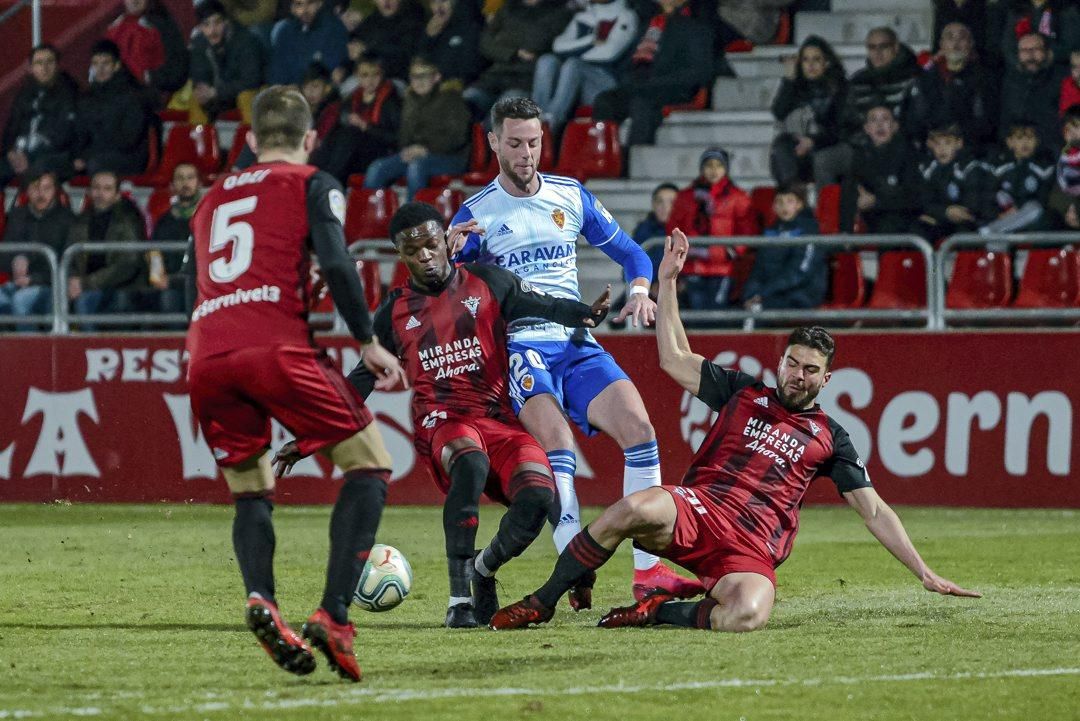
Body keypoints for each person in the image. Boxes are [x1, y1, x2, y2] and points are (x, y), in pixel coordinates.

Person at [488, 230, 982, 631]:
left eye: (810, 370)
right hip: (700, 511)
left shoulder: (833, 437)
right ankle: (544, 600)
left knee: (747, 614)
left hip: (751, 547)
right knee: (636, 505)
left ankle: (658, 611)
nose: (798, 375)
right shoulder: (745, 393)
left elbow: (873, 510)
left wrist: (924, 572)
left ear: (825, 379)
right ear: (781, 361)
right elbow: (673, 359)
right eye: (792, 363)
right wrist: (668, 282)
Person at [281, 202, 611, 628]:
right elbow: (359, 382)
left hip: (498, 419)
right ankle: (458, 602)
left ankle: (482, 570)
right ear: (401, 255)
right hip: (442, 420)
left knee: (539, 495)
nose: (425, 256)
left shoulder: (489, 282)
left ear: (445, 242)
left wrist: (587, 313)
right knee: (469, 462)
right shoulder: (393, 314)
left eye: (431, 244)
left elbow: (544, 304)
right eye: (412, 250)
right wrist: (309, 439)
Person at [185, 85, 405, 682]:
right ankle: (334, 616)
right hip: (274, 345)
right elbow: (336, 261)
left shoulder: (208, 201)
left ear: (251, 141)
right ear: (310, 140)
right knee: (370, 465)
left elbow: (193, 283)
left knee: (249, 491)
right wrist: (367, 340)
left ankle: (262, 598)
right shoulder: (313, 181)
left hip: (206, 351)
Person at [450, 97, 704, 605]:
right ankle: (574, 567)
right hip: (523, 348)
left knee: (641, 430)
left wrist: (638, 290)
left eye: (535, 142)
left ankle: (647, 573)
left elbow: (633, 253)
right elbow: (452, 290)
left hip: (576, 342)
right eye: (516, 143)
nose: (527, 153)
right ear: (494, 143)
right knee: (559, 445)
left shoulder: (569, 195)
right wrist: (454, 257)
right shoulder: (476, 214)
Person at [591, 0, 713, 149]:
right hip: (641, 87)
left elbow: (698, 72)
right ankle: (604, 154)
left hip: (671, 89)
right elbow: (628, 63)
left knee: (642, 104)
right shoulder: (648, 26)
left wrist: (654, 83)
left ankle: (633, 158)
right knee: (605, 101)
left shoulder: (695, 28)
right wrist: (631, 80)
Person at [363, 56, 471, 200]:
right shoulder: (410, 100)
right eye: (414, 76)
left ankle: (414, 217)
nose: (418, 81)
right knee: (377, 167)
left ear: (436, 77)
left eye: (424, 76)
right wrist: (407, 149)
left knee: (416, 166)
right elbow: (404, 135)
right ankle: (368, 218)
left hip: (450, 157)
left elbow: (457, 137)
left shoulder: (451, 99)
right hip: (417, 155)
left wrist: (425, 149)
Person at [666, 147, 757, 312]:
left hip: (723, 268)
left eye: (719, 166)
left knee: (716, 315)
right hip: (691, 266)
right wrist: (683, 252)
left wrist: (731, 252)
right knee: (695, 315)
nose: (714, 170)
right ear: (702, 168)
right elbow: (673, 229)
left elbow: (748, 231)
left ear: (726, 169)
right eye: (709, 165)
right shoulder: (685, 197)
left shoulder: (739, 197)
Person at [531, 0, 639, 135]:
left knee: (573, 65)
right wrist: (591, 41)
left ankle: (551, 123)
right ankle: (535, 118)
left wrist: (575, 52)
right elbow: (558, 45)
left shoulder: (626, 15)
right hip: (572, 80)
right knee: (547, 60)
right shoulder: (583, 17)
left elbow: (609, 53)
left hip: (604, 84)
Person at [464, 0, 572, 119]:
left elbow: (539, 41)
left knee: (502, 114)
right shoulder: (508, 8)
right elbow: (485, 43)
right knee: (465, 102)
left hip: (524, 80)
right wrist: (514, 52)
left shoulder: (558, 12)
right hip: (494, 76)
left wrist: (502, 40)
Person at [67, 170, 147, 325]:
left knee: (85, 301)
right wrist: (72, 280)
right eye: (96, 188)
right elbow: (69, 257)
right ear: (89, 192)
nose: (100, 193)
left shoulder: (129, 220)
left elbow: (127, 265)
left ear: (117, 195)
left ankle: (87, 347)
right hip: (87, 284)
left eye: (107, 189)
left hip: (121, 285)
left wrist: (86, 283)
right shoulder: (80, 220)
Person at [769, 35, 850, 187]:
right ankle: (793, 196)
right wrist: (789, 80)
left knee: (820, 158)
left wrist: (813, 141)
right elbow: (779, 112)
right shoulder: (795, 87)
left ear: (826, 62)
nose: (810, 65)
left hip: (827, 146)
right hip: (800, 151)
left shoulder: (840, 88)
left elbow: (841, 129)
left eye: (816, 59)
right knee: (781, 146)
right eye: (806, 60)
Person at [0, 170, 75, 328]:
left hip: (51, 285)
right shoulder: (18, 215)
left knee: (21, 300)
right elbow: (4, 255)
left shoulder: (67, 220)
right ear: (27, 191)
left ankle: (28, 352)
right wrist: (17, 258)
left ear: (55, 191)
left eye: (46, 188)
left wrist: (34, 280)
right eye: (35, 188)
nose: (41, 194)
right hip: (20, 283)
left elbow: (70, 265)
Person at [312, 53, 401, 184]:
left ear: (382, 75)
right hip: (351, 153)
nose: (370, 80)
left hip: (378, 152)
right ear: (357, 76)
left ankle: (330, 181)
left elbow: (395, 139)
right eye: (365, 75)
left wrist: (366, 126)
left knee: (351, 134)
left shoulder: (391, 101)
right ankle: (318, 180)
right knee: (333, 138)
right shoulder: (352, 98)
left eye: (375, 75)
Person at [908, 22, 997, 153]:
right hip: (932, 150)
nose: (956, 43)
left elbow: (988, 119)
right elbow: (915, 117)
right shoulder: (925, 77)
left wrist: (958, 135)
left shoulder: (985, 78)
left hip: (970, 150)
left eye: (962, 38)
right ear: (941, 44)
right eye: (950, 38)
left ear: (971, 44)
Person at [0, 44, 79, 186]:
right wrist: (11, 152)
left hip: (52, 156)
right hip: (20, 154)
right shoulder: (24, 94)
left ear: (57, 65)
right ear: (31, 68)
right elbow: (10, 130)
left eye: (50, 62)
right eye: (39, 63)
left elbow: (64, 136)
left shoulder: (69, 93)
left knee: (38, 169)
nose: (45, 67)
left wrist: (29, 157)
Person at [742, 183, 827, 311]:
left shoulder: (809, 231)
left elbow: (798, 273)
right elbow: (759, 269)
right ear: (774, 206)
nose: (784, 206)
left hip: (801, 295)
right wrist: (751, 294)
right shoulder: (770, 231)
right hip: (771, 294)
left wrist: (763, 293)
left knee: (756, 310)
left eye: (789, 201)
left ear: (799, 204)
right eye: (779, 202)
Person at [74, 39, 152, 176]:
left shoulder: (132, 96)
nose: (100, 69)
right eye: (96, 64)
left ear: (116, 66)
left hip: (129, 158)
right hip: (96, 156)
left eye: (105, 63)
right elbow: (81, 136)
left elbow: (128, 140)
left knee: (96, 164)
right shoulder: (86, 98)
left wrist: (88, 156)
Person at [843, 105, 922, 234]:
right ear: (867, 128)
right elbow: (850, 193)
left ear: (895, 126)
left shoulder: (908, 154)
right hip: (870, 219)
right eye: (874, 120)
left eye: (885, 119)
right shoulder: (860, 157)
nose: (880, 124)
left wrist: (877, 202)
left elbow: (913, 197)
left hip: (901, 221)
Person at [916, 124, 996, 243]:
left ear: (959, 143)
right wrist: (945, 212)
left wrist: (948, 212)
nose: (942, 149)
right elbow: (923, 202)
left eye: (948, 143)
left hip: (969, 223)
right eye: (937, 144)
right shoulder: (927, 170)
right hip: (940, 220)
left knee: (964, 232)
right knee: (918, 229)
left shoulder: (970, 168)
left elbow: (973, 206)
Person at [189, 0, 264, 122]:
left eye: (217, 23)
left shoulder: (246, 41)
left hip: (243, 92)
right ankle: (199, 139)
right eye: (206, 25)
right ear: (200, 28)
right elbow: (199, 75)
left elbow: (251, 81)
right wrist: (203, 88)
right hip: (218, 95)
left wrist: (216, 91)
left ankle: (252, 138)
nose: (212, 30)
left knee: (246, 96)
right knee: (196, 98)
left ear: (226, 21)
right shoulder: (199, 43)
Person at [981, 121, 1055, 234]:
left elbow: (1044, 198)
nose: (1025, 143)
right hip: (1002, 217)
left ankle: (991, 230)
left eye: (1030, 138)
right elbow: (988, 197)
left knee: (1034, 208)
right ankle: (999, 229)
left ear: (1037, 141)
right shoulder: (998, 168)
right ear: (1010, 142)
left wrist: (1018, 208)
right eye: (1020, 138)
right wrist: (997, 214)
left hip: (1032, 222)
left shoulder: (1044, 168)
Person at [999, 32, 1068, 152]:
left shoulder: (1063, 79)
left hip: (1054, 149)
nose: (1030, 55)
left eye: (1036, 49)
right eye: (1024, 50)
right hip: (1017, 150)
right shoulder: (1009, 81)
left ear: (1048, 53)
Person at [148, 162, 201, 315]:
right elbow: (154, 252)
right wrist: (158, 277)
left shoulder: (208, 216)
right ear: (172, 185)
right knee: (167, 300)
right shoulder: (164, 221)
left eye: (190, 178)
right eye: (180, 178)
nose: (185, 183)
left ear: (198, 183)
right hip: (171, 285)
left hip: (200, 283)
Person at [844, 27, 920, 134]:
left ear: (896, 47)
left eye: (883, 47)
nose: (877, 52)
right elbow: (848, 121)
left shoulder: (915, 78)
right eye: (872, 47)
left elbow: (918, 122)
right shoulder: (858, 81)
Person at [267, 0, 348, 86]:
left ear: (319, 3)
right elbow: (276, 71)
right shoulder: (285, 31)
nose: (305, 10)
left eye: (310, 3)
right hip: (291, 92)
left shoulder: (334, 28)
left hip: (321, 91)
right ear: (292, 8)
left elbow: (334, 69)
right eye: (299, 4)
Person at [417, 0, 484, 88]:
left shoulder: (471, 28)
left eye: (443, 1)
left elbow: (470, 68)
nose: (439, 7)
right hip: (431, 87)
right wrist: (428, 38)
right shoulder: (430, 29)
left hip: (460, 88)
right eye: (434, 2)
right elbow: (419, 64)